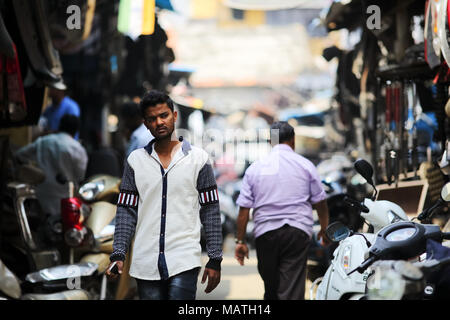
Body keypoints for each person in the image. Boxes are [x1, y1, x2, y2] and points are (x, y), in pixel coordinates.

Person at [106, 90, 222, 300]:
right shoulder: (135, 161)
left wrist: (215, 258)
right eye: (152, 119)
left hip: (184, 258)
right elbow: (126, 210)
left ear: (174, 116)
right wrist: (118, 253)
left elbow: (210, 210)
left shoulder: (199, 159)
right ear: (145, 123)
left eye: (164, 115)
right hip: (145, 261)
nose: (159, 122)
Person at [234, 121, 329, 300]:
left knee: (271, 288)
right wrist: (325, 229)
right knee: (291, 288)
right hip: (297, 232)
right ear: (293, 141)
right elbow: (321, 202)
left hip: (265, 235)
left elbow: (244, 210)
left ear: (271, 141)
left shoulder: (255, 168)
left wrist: (240, 241)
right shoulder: (306, 165)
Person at [15, 114, 88, 217]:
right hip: (65, 198)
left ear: (60, 126)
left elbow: (19, 155)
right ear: (76, 130)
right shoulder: (77, 148)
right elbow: (81, 176)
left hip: (40, 195)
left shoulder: (43, 141)